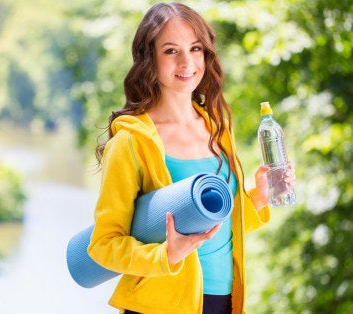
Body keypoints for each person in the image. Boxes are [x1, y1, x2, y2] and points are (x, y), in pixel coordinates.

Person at [87, 2, 295, 314]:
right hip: (160, 305)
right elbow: (103, 244)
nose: (187, 62)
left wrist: (258, 199)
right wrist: (164, 256)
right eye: (171, 50)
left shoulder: (216, 128)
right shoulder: (131, 141)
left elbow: (216, 229)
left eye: (195, 48)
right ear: (149, 58)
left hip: (225, 301)